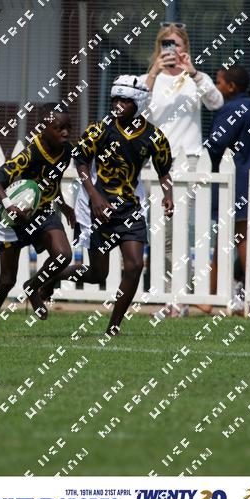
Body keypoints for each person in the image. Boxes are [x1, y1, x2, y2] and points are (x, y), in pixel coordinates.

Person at [53, 75, 173, 336]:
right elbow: (80, 161)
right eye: (115, 99)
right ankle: (54, 277)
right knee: (98, 274)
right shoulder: (99, 129)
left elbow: (164, 170)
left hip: (130, 208)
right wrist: (94, 196)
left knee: (135, 266)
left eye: (125, 101)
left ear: (139, 104)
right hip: (99, 210)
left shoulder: (154, 136)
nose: (118, 105)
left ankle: (114, 326)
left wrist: (168, 194)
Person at [142, 22, 223, 318]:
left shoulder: (194, 78)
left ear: (185, 47)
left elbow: (216, 102)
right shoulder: (151, 79)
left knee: (180, 229)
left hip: (188, 161)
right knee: (161, 232)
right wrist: (153, 73)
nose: (171, 50)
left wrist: (195, 73)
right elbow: (136, 111)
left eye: (176, 44)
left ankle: (179, 298)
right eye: (166, 44)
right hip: (156, 163)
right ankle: (173, 295)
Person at [0, 104, 75, 338]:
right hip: (13, 219)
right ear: (44, 128)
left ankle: (33, 286)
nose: (65, 133)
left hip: (43, 212)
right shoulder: (30, 154)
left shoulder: (66, 151)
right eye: (59, 128)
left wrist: (64, 207)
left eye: (68, 127)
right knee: (6, 280)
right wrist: (9, 205)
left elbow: (53, 183)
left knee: (63, 255)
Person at [199, 66, 250, 315]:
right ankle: (210, 297)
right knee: (229, 239)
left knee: (239, 240)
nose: (217, 87)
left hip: (235, 183)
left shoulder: (231, 109)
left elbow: (216, 143)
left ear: (231, 87)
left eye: (219, 82)